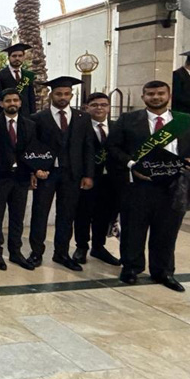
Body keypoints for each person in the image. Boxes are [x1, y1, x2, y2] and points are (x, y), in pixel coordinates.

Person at [107, 80, 190, 291]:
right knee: (133, 228)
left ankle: (163, 271)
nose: (155, 97)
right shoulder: (128, 120)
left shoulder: (187, 121)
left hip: (174, 184)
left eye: (160, 93)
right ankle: (131, 268)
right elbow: (112, 147)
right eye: (150, 94)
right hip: (138, 184)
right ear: (143, 97)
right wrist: (132, 165)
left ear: (168, 95)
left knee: (167, 230)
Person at [27, 76, 95, 271]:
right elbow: (32, 147)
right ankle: (36, 252)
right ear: (51, 95)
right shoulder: (38, 118)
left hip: (72, 174)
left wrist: (88, 174)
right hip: (46, 174)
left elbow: (88, 147)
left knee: (66, 215)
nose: (62, 97)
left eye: (66, 94)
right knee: (40, 213)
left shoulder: (83, 118)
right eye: (58, 94)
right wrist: (34, 170)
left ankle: (61, 253)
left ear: (71, 95)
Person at [0, 88, 37, 271]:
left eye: (15, 100)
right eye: (8, 101)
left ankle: (15, 251)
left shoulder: (30, 125)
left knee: (17, 217)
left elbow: (33, 151)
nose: (12, 103)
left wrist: (33, 173)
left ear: (20, 103)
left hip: (21, 179)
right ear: (1, 103)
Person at [73, 92, 122, 266]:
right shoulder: (79, 127)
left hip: (111, 179)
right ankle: (81, 247)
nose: (99, 108)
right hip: (87, 178)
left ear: (108, 107)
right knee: (83, 213)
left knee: (105, 213)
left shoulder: (117, 127)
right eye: (94, 105)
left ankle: (98, 246)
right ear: (86, 108)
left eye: (103, 104)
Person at [0, 43, 36, 115]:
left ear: (23, 57)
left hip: (26, 116)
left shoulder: (28, 75)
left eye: (20, 56)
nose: (17, 58)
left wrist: (33, 115)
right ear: (9, 57)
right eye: (14, 56)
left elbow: (31, 98)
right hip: (8, 114)